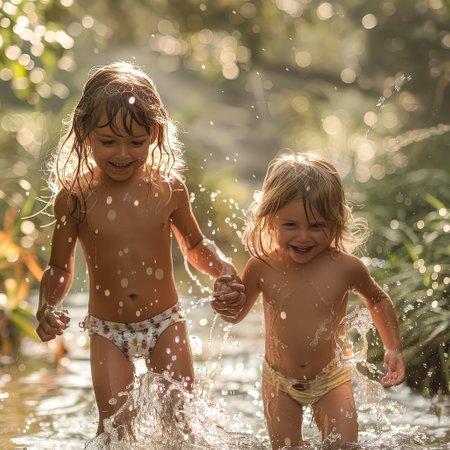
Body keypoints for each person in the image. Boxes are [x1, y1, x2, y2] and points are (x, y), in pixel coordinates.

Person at [35, 62, 244, 437]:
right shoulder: (75, 198)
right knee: (116, 429)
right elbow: (60, 268)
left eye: (136, 142)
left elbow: (194, 245)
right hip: (106, 330)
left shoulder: (168, 189)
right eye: (108, 142)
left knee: (179, 422)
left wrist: (224, 270)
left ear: (155, 133)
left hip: (165, 322)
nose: (122, 154)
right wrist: (47, 306)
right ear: (85, 134)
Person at [212, 152, 405, 448]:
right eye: (291, 225)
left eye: (317, 226)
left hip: (332, 379)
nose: (304, 237)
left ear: (336, 222)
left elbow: (377, 300)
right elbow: (236, 315)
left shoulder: (345, 267)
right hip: (279, 382)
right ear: (270, 219)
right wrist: (226, 303)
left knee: (344, 446)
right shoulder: (261, 267)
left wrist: (393, 347)